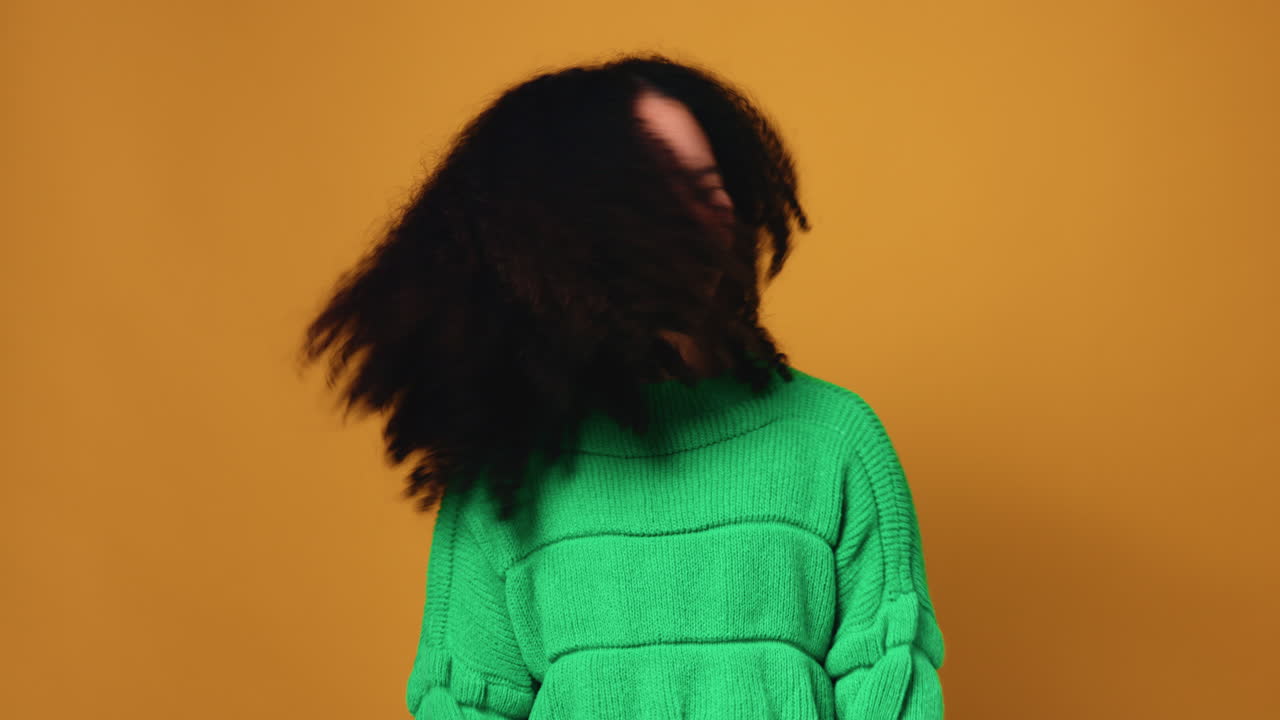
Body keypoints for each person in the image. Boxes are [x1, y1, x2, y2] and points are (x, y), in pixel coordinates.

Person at [297, 52, 945, 719]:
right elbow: (465, 705)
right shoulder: (510, 473)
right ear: (566, 231)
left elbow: (890, 686)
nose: (698, 214)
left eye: (706, 185)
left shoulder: (833, 440)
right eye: (656, 192)